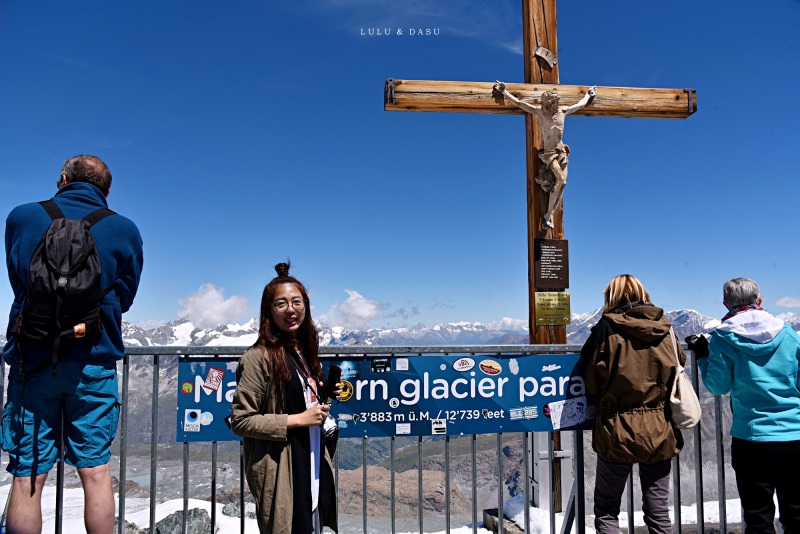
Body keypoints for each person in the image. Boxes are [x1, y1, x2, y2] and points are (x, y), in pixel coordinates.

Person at [2, 155, 144, 534]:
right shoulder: (124, 229)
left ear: (61, 180)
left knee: (27, 475)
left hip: (32, 361)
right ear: (107, 191)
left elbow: (20, 281)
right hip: (93, 362)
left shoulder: (21, 217)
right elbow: (125, 297)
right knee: (95, 472)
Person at [686, 278, 800, 534]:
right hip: (795, 437)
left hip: (752, 440)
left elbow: (717, 386)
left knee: (758, 518)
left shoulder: (723, 338)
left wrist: (704, 356)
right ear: (760, 301)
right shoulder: (790, 335)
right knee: (796, 514)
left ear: (725, 303)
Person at [231, 262, 338, 534]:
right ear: (269, 312)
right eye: (281, 304)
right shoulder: (257, 358)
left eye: (297, 302)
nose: (291, 309)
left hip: (312, 458)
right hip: (283, 470)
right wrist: (298, 420)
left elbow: (298, 396)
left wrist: (323, 394)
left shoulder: (304, 349)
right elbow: (241, 421)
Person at [579, 274, 684, 534]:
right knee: (658, 510)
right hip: (659, 427)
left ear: (611, 297)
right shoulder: (666, 328)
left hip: (617, 428)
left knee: (607, 510)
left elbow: (591, 379)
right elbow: (678, 365)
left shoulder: (606, 328)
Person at [493, 81, 596, 229]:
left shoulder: (563, 111)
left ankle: (550, 214)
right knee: (562, 180)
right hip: (549, 154)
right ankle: (549, 215)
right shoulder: (540, 113)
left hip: (562, 153)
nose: (555, 104)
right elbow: (521, 104)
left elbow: (579, 105)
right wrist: (505, 92)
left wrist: (588, 94)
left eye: (555, 102)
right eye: (553, 102)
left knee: (561, 184)